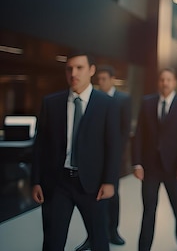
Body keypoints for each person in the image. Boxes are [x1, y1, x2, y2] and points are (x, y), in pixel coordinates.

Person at [31, 51, 121, 251]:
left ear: (91, 70)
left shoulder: (107, 104)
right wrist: (36, 180)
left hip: (93, 184)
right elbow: (41, 145)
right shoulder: (51, 103)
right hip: (58, 183)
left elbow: (113, 146)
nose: (74, 73)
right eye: (69, 69)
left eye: (79, 68)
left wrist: (110, 181)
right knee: (53, 242)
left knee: (99, 240)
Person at [132, 68, 177, 251]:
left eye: (168, 79)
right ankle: (143, 248)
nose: (165, 83)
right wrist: (136, 163)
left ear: (174, 82)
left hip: (173, 167)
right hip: (150, 167)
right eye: (162, 80)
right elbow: (139, 135)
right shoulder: (147, 103)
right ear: (158, 82)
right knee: (148, 211)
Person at [75, 65, 131, 250]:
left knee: (112, 196)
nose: (101, 82)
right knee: (92, 198)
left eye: (104, 79)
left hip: (113, 157)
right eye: (99, 79)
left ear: (113, 79)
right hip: (92, 159)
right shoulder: (91, 98)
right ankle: (92, 236)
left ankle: (113, 231)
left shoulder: (123, 99)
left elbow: (124, 130)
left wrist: (117, 154)